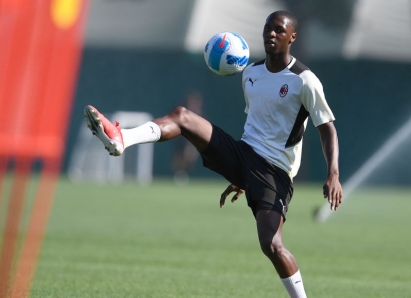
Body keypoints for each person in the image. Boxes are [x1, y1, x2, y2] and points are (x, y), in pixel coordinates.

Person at [84, 10, 342, 298]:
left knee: (271, 244)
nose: (271, 34)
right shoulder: (251, 73)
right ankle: (122, 138)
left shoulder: (304, 80)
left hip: (274, 172)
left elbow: (327, 129)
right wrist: (241, 173)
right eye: (268, 28)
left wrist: (333, 173)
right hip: (243, 153)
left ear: (293, 37)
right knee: (183, 116)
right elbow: (256, 125)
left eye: (279, 30)